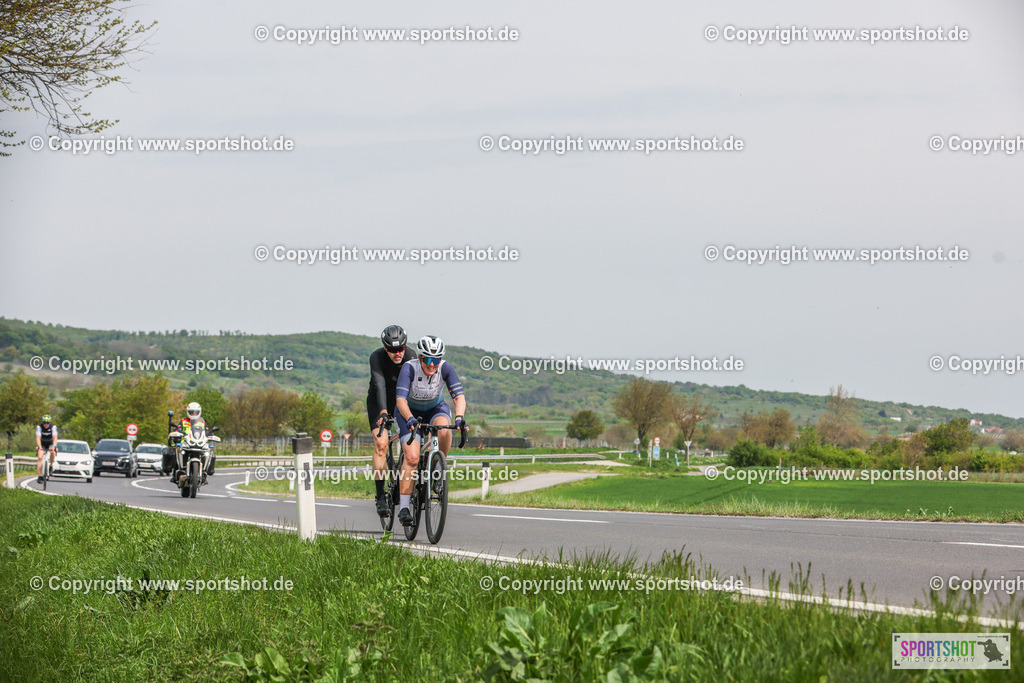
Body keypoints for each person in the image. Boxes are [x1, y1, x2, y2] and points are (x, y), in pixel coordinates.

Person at [394, 335, 467, 526]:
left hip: (435, 407)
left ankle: (437, 469)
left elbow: (458, 397)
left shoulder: (445, 368)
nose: (432, 365)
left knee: (445, 430)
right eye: (428, 360)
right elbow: (400, 400)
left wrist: (459, 417)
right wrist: (409, 418)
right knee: (411, 458)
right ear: (420, 358)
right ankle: (403, 507)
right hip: (408, 411)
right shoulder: (409, 367)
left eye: (436, 360)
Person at [367, 325, 416, 516]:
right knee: (381, 443)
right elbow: (379, 385)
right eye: (392, 350)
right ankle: (380, 496)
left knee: (412, 446)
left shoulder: (411, 356)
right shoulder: (376, 357)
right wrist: (383, 412)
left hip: (402, 403)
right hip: (379, 402)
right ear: (384, 348)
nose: (397, 353)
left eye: (400, 349)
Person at [36, 414, 58, 483]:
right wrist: (40, 447)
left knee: (52, 452)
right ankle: (39, 476)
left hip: (50, 443)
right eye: (44, 422)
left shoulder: (53, 427)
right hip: (42, 443)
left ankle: (51, 465)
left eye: (47, 423)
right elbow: (38, 438)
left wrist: (54, 447)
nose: (46, 424)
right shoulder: (39, 427)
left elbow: (55, 438)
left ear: (50, 423)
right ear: (42, 422)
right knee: (40, 458)